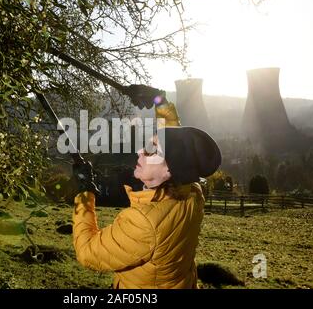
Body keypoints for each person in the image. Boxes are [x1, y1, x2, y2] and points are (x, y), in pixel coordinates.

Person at [71, 93, 221, 289]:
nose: (140, 151)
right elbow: (177, 144)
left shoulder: (144, 223)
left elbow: (87, 252)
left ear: (169, 170)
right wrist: (160, 101)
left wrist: (84, 193)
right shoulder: (192, 192)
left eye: (151, 151)